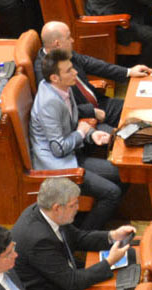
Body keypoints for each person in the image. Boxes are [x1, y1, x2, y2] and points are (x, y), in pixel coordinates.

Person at [30, 49, 125, 230]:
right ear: (55, 78)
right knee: (112, 192)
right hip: (58, 166)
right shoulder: (49, 103)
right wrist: (82, 133)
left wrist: (91, 134)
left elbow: (72, 124)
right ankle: (83, 235)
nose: (75, 73)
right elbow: (58, 148)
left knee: (124, 172)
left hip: (72, 154)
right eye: (69, 71)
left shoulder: (63, 88)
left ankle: (100, 223)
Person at [10, 177, 136, 290]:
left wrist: (112, 235)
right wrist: (109, 261)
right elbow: (72, 282)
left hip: (64, 272)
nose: (77, 207)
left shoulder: (48, 211)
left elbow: (78, 237)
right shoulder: (39, 240)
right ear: (57, 208)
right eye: (73, 205)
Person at [36, 21, 143, 129]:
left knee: (139, 108)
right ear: (57, 44)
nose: (72, 40)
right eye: (68, 37)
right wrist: (91, 111)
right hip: (84, 120)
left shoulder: (62, 53)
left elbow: (92, 64)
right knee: (125, 135)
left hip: (99, 103)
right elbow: (60, 111)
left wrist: (128, 72)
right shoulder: (46, 74)